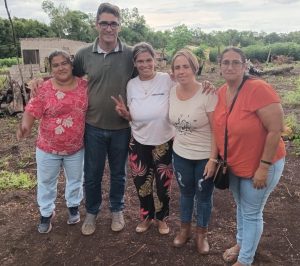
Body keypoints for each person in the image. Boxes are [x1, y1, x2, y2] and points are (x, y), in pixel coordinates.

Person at [213, 47, 286, 266]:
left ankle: (245, 260)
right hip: (234, 164)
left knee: (252, 212)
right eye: (226, 62)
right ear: (219, 67)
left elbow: (276, 129)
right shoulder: (220, 92)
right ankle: (241, 243)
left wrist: (263, 167)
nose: (230, 66)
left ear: (245, 66)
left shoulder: (259, 89)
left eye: (236, 62)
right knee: (241, 207)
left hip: (261, 165)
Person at [72, 3, 135, 235]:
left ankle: (117, 209)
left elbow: (146, 77)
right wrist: (43, 82)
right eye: (104, 23)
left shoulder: (130, 54)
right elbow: (69, 79)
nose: (109, 28)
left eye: (113, 23)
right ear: (96, 24)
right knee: (93, 173)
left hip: (121, 127)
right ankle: (92, 212)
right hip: (93, 125)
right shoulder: (83, 54)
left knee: (119, 172)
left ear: (119, 26)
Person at [16, 50, 88, 234]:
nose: (61, 67)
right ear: (51, 68)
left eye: (64, 63)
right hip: (48, 147)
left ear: (71, 65)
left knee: (76, 180)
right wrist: (25, 127)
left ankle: (73, 207)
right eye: (55, 65)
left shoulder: (84, 86)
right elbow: (31, 111)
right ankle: (46, 214)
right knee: (46, 182)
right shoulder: (44, 89)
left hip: (76, 147)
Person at [112, 42, 175, 235]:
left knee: (163, 184)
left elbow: (189, 86)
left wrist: (204, 84)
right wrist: (126, 114)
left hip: (163, 140)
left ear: (155, 60)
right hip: (138, 140)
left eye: (149, 60)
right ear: (134, 63)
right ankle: (147, 217)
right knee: (142, 184)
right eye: (140, 61)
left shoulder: (167, 80)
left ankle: (162, 218)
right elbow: (134, 114)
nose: (145, 64)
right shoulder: (131, 84)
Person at [169, 49, 218, 254]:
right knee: (186, 193)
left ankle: (201, 234)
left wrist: (213, 159)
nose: (181, 71)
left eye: (186, 66)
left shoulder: (207, 93)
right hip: (180, 154)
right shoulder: (172, 91)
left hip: (204, 156)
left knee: (204, 196)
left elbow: (217, 129)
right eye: (177, 67)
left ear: (194, 68)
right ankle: (185, 230)